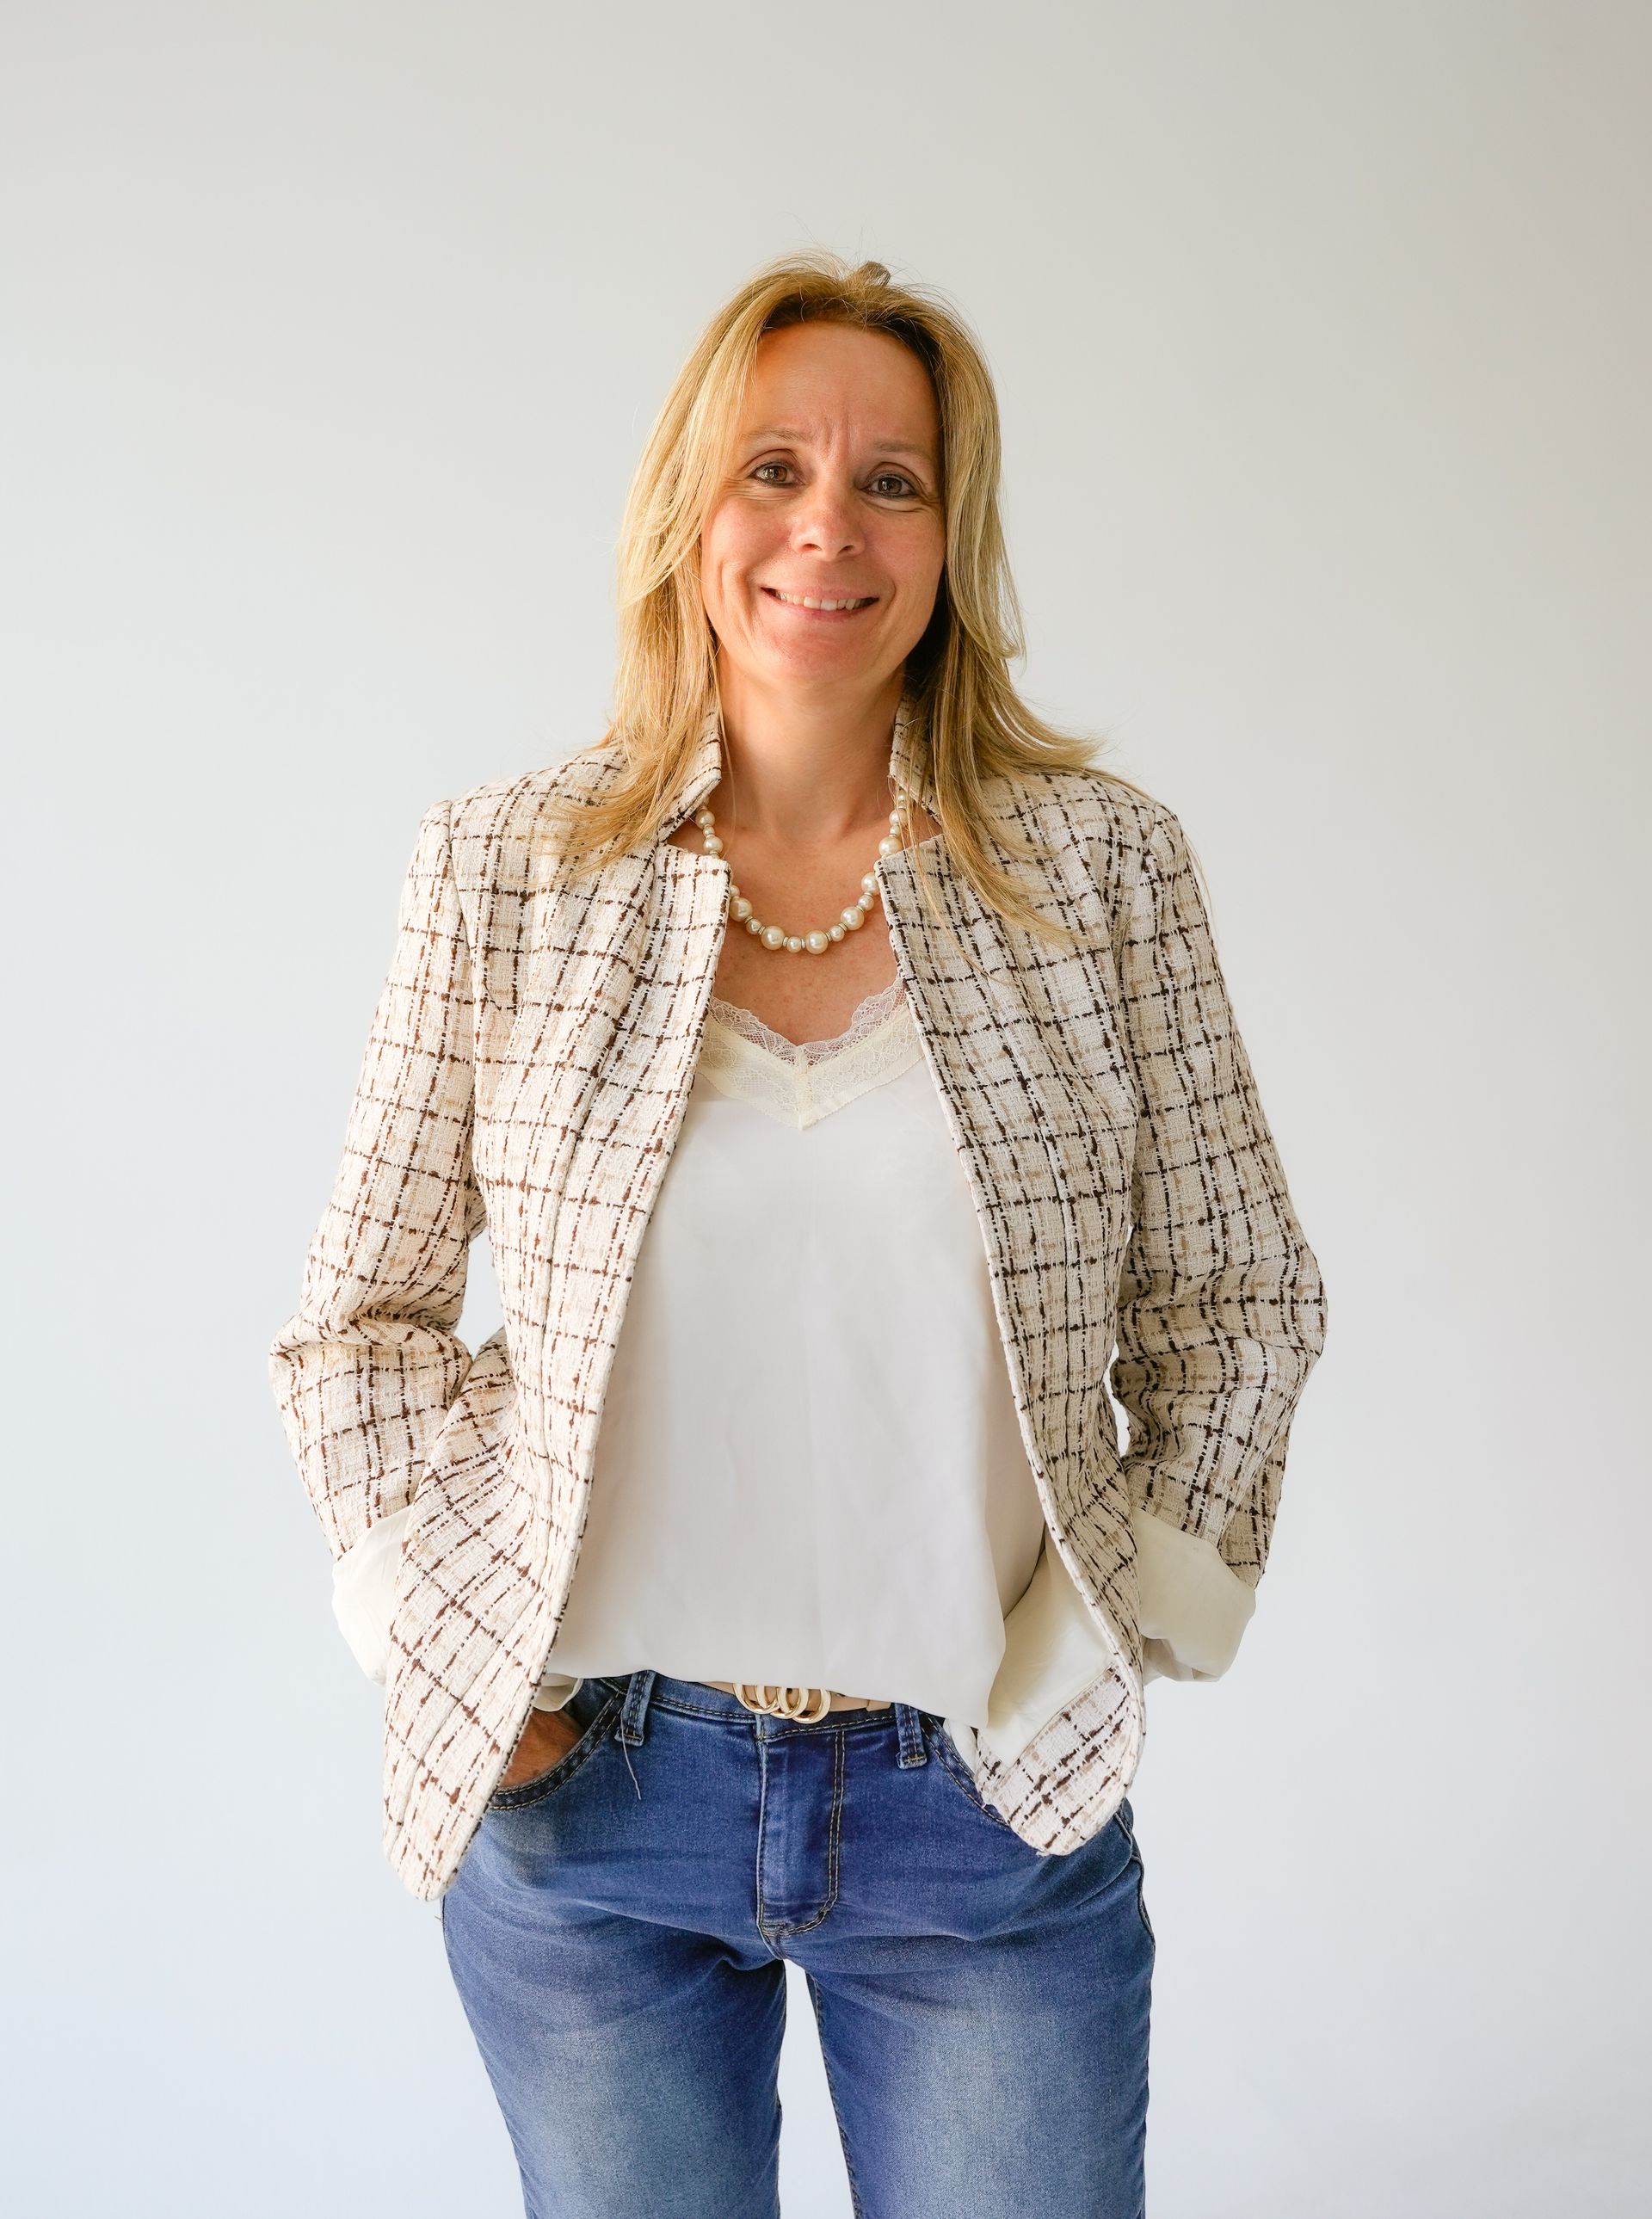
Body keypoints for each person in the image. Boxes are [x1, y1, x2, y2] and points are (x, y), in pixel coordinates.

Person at [268, 249, 1328, 2219]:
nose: (828, 525)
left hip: (983, 1809)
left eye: (893, 480)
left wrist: (1126, 1613)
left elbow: (1239, 1290)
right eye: (773, 465)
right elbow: (364, 1319)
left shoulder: (1098, 874)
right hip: (593, 1807)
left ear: (951, 536)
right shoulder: (507, 870)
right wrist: (480, 1682)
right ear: (692, 506)